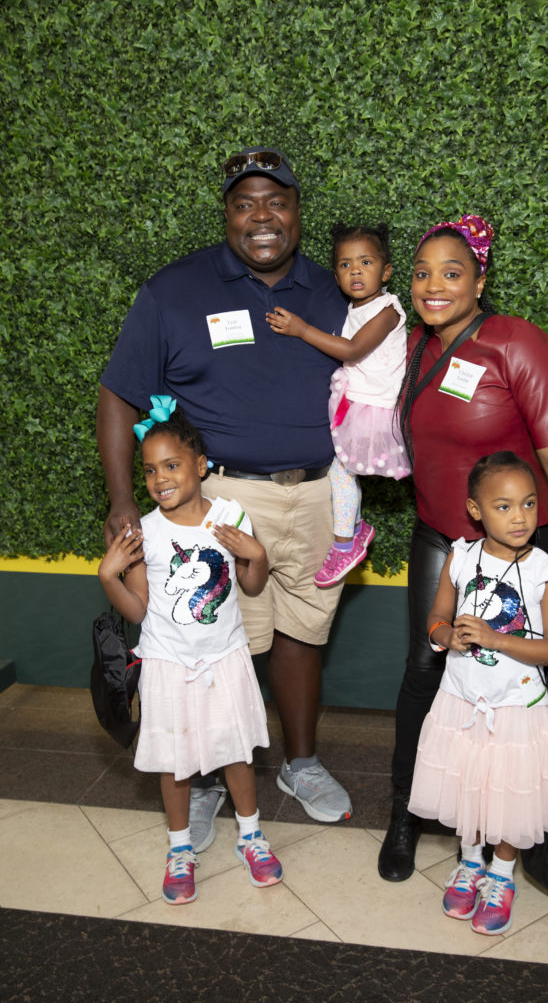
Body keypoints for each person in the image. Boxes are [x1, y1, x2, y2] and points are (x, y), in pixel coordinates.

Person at [97, 147, 353, 843]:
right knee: (215, 645)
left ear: (299, 212)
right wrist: (124, 498)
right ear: (226, 215)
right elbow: (118, 394)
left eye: (277, 201)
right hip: (220, 504)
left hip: (320, 494)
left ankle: (300, 763)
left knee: (304, 632)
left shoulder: (335, 292)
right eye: (245, 203)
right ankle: (207, 777)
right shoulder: (173, 291)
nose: (261, 216)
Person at [378, 215, 548, 882]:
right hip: (441, 539)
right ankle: (405, 813)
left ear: (480, 278)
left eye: (451, 273)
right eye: (421, 274)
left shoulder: (519, 344)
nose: (433, 286)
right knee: (426, 668)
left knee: (519, 685)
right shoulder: (416, 346)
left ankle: (510, 824)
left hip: (518, 552)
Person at [97, 398, 282, 904]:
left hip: (225, 657)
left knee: (236, 752)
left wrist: (258, 555)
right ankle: (180, 849)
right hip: (167, 664)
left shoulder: (229, 515)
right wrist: (108, 575)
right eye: (150, 470)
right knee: (174, 762)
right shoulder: (145, 533)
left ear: (201, 466)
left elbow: (249, 585)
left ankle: (251, 835)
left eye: (172, 465)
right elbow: (137, 611)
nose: (160, 479)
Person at [408, 452, 548, 934]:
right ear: (476, 510)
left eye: (527, 503)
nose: (519, 516)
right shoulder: (460, 557)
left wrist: (496, 638)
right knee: (470, 784)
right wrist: (445, 636)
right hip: (461, 699)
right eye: (503, 506)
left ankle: (502, 873)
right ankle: (471, 860)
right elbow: (436, 619)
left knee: (508, 794)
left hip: (517, 707)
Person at [266, 222, 410, 587]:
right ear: (335, 275)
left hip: (373, 410)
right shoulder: (355, 307)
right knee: (341, 471)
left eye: (365, 262)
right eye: (345, 265)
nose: (356, 271)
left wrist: (301, 329)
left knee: (341, 471)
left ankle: (346, 543)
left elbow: (351, 350)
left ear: (386, 271)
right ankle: (355, 527)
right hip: (355, 401)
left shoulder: (388, 309)